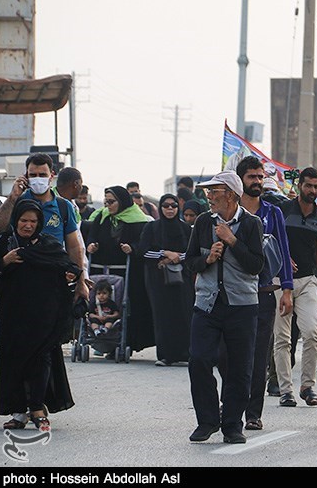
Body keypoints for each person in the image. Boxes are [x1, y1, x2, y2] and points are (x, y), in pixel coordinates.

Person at [185, 171, 265, 444]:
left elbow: (256, 265)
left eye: (214, 191)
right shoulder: (203, 222)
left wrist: (231, 240)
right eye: (208, 191)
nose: (209, 196)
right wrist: (207, 258)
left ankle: (232, 425)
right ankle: (207, 421)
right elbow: (190, 261)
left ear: (230, 194)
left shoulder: (252, 224)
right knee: (199, 359)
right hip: (207, 303)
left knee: (240, 367)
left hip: (241, 305)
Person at [0, 199, 80, 431]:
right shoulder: (5, 243)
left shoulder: (49, 244)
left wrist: (71, 276)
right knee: (14, 361)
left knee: (40, 360)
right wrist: (4, 260)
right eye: (23, 220)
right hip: (12, 313)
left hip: (43, 314)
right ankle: (18, 413)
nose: (28, 225)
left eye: (33, 221)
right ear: (16, 220)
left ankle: (37, 408)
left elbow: (69, 265)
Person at [230, 156, 294, 431]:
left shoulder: (273, 213)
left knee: (258, 356)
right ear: (240, 179)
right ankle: (231, 403)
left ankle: (253, 413)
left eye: (260, 177)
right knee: (229, 354)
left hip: (264, 292)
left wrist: (288, 289)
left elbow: (284, 251)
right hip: (231, 294)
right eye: (252, 177)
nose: (257, 182)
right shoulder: (229, 212)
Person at [274, 167, 317, 408]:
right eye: (309, 186)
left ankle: (307, 386)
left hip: (308, 282)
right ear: (299, 187)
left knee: (311, 333)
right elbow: (270, 242)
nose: (313, 191)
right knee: (283, 338)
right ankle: (286, 390)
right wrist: (283, 259)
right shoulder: (282, 211)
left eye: (316, 186)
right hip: (279, 280)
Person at [86, 185, 154, 352]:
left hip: (127, 270)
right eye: (106, 202)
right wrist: (91, 245)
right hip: (102, 268)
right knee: (100, 302)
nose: (108, 206)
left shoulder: (138, 220)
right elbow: (92, 236)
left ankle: (126, 340)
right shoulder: (102, 217)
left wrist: (132, 248)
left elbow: (143, 244)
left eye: (111, 202)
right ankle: (101, 339)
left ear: (122, 202)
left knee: (126, 305)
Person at [18, 154, 90, 303]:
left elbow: (74, 247)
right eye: (33, 175)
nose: (38, 179)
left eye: (42, 175)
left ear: (51, 176)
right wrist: (13, 198)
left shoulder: (64, 206)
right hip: (22, 279)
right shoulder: (17, 203)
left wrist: (81, 281)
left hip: (55, 279)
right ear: (26, 176)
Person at [138, 193, 193, 366]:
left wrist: (174, 257)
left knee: (184, 313)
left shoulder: (186, 229)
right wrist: (164, 253)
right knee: (162, 315)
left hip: (182, 278)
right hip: (157, 279)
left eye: (174, 206)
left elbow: (192, 252)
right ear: (160, 208)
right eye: (166, 206)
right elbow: (143, 251)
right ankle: (165, 355)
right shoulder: (152, 227)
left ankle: (185, 353)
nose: (170, 209)